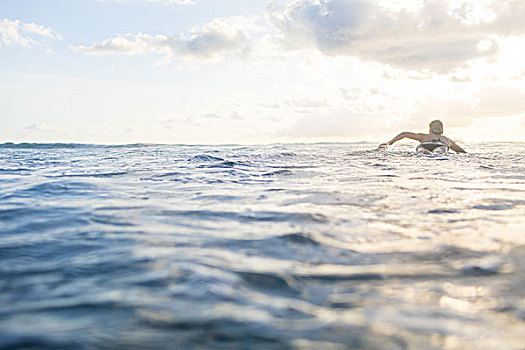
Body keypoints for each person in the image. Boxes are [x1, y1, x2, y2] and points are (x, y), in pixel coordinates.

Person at [378, 120, 466, 154]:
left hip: (424, 145)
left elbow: (404, 134)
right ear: (442, 130)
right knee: (439, 152)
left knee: (421, 151)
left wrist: (389, 143)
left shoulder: (424, 136)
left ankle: (424, 152)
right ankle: (434, 153)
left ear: (430, 129)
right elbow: (461, 151)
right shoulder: (447, 140)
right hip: (441, 145)